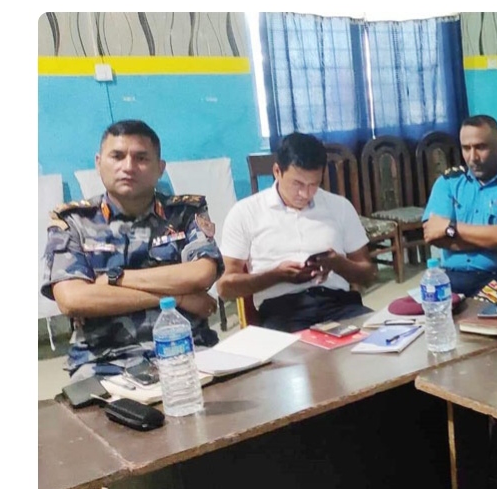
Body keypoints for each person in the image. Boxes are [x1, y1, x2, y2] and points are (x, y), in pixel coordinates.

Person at [42, 120, 223, 380]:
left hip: (188, 348)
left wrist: (115, 279)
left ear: (160, 168)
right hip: (103, 360)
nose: (128, 167)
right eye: (117, 156)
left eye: (141, 158)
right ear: (98, 163)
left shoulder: (184, 213)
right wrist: (179, 297)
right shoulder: (74, 222)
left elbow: (202, 273)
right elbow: (73, 300)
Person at [217, 132, 376, 333]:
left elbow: (369, 275)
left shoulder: (339, 207)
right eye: (297, 184)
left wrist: (337, 264)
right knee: (293, 351)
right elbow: (225, 287)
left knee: (384, 338)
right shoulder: (246, 212)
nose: (305, 194)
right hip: (283, 313)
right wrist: (276, 276)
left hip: (339, 305)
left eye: (314, 184)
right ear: (277, 171)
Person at [422, 115, 497, 297]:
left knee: (479, 313)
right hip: (451, 277)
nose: (473, 157)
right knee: (416, 311)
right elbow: (432, 235)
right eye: (466, 148)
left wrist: (449, 228)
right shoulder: (448, 183)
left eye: (481, 147)